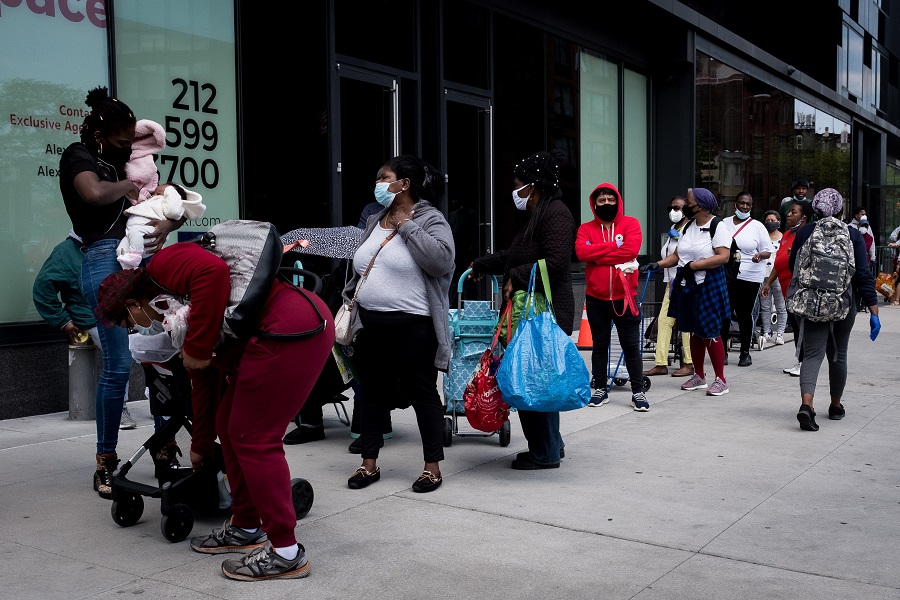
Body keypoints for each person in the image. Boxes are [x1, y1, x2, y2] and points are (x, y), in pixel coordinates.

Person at [95, 239, 335, 580]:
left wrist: (196, 346)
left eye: (128, 321)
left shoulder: (164, 265)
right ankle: (247, 525)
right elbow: (204, 374)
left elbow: (213, 270)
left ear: (133, 303)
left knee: (253, 436)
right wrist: (202, 444)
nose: (135, 328)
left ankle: (286, 552)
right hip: (274, 328)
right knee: (229, 424)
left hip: (289, 325)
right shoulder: (173, 307)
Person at [59, 86, 184, 498]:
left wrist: (167, 221)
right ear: (98, 132)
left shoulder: (123, 161)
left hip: (140, 263)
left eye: (131, 139)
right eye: (120, 139)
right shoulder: (78, 157)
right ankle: (106, 464)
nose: (128, 145)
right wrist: (128, 190)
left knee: (159, 358)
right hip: (103, 262)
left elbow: (159, 197)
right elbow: (92, 193)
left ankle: (165, 447)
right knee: (116, 367)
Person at [343, 154, 455, 491]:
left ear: (404, 183)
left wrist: (407, 226)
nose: (377, 183)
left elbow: (441, 261)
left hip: (413, 326)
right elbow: (361, 265)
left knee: (422, 393)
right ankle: (369, 464)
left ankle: (432, 467)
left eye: (383, 177)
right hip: (371, 324)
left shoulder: (431, 219)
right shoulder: (375, 219)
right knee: (372, 393)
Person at [469, 149, 575, 469]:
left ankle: (543, 453)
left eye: (518, 185)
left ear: (534, 185)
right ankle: (550, 446)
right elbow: (516, 255)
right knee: (539, 382)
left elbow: (555, 263)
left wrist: (515, 276)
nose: (515, 191)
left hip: (543, 313)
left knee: (533, 384)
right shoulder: (539, 215)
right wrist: (483, 264)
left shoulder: (555, 214)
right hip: (534, 313)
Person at [789, 188, 880, 431]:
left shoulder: (805, 232)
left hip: (811, 303)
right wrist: (874, 309)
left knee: (812, 354)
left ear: (816, 210)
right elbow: (862, 273)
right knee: (838, 354)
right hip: (843, 304)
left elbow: (793, 266)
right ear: (841, 210)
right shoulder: (852, 235)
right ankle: (835, 406)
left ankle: (807, 405)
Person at [32, 231, 137, 429]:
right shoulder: (65, 252)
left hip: (118, 312)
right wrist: (64, 321)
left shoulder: (111, 242)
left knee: (141, 347)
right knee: (119, 355)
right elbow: (42, 288)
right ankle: (119, 408)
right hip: (90, 316)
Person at [642, 187, 731, 396]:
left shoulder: (717, 226)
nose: (685, 206)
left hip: (709, 283)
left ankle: (721, 379)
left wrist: (696, 266)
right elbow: (677, 256)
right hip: (687, 283)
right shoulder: (689, 225)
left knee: (710, 331)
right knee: (691, 330)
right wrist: (658, 264)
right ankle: (699, 376)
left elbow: (723, 256)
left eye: (689, 201)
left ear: (699, 205)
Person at [575, 182, 648, 411]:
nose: (606, 203)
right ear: (594, 204)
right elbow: (580, 252)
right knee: (599, 346)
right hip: (596, 297)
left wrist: (597, 256)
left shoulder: (631, 223)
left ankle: (638, 391)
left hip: (624, 295)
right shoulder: (585, 229)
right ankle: (600, 388)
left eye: (610, 199)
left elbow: (630, 251)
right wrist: (611, 248)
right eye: (601, 200)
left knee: (630, 346)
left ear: (618, 201)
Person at [719, 191, 772, 367]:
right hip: (727, 275)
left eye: (748, 204)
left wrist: (759, 255)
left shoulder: (757, 226)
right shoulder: (724, 224)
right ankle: (722, 353)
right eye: (742, 203)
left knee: (744, 313)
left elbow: (767, 250)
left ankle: (745, 353)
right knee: (725, 314)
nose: (745, 207)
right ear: (735, 203)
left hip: (750, 275)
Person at [644, 195, 694, 377]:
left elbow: (682, 256)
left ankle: (689, 363)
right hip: (671, 283)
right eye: (672, 208)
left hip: (685, 281)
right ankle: (661, 363)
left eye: (679, 208)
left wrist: (659, 263)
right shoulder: (674, 228)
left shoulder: (691, 229)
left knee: (686, 325)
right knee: (664, 322)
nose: (675, 211)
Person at [761, 199, 813, 376]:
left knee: (801, 328)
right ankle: (800, 361)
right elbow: (778, 263)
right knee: (797, 328)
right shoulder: (787, 235)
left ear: (804, 217)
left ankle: (804, 364)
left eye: (793, 212)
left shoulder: (807, 235)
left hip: (800, 291)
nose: (788, 215)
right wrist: (768, 283)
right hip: (787, 291)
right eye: (789, 212)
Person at [117, 183, 206, 269]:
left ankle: (135, 255)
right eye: (154, 193)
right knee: (121, 251)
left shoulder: (168, 203)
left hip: (149, 231)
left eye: (159, 194)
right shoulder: (149, 201)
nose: (154, 196)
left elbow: (173, 212)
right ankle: (131, 270)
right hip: (133, 234)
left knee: (136, 231)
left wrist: (170, 191)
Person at [758, 210, 788, 346]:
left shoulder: (784, 238)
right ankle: (766, 332)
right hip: (763, 275)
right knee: (765, 306)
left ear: (779, 222)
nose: (770, 223)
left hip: (779, 275)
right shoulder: (761, 237)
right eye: (768, 220)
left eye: (773, 220)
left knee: (781, 306)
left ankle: (780, 332)